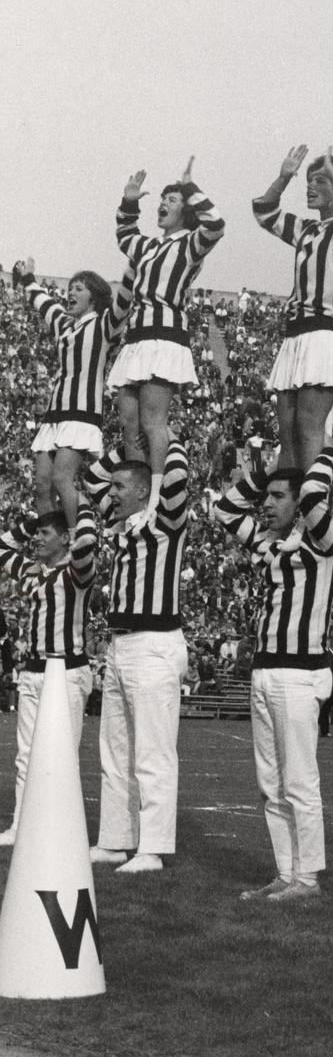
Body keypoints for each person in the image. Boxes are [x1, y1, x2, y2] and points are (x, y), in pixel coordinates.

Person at [213, 447, 333, 900]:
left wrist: (322, 451)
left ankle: (307, 878)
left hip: (298, 672)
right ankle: (286, 872)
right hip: (265, 669)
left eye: (277, 497)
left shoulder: (325, 543)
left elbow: (313, 493)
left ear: (300, 504)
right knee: (270, 784)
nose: (266, 504)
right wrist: (267, 472)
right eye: (266, 496)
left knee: (299, 780)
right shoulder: (269, 543)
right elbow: (226, 508)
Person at [84, 439, 190, 872]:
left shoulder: (165, 524)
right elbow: (90, 482)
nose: (113, 494)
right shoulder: (121, 526)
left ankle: (153, 847)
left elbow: (178, 478)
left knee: (153, 752)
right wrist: (130, 444)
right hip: (120, 644)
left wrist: (163, 438)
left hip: (155, 643)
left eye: (122, 487)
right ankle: (114, 839)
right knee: (115, 750)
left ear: (145, 490)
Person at [109, 158, 225, 518]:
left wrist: (191, 189)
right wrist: (130, 201)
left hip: (165, 336)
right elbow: (124, 235)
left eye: (172, 199)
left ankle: (156, 499)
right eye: (163, 198)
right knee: (128, 423)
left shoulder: (189, 244)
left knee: (152, 422)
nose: (164, 203)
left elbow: (217, 225)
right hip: (136, 339)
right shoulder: (146, 246)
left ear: (186, 211)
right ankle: (135, 500)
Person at [252, 146, 333, 473]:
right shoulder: (305, 229)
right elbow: (264, 211)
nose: (309, 186)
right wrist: (283, 178)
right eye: (309, 180)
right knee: (288, 433)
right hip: (296, 335)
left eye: (319, 181)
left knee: (309, 428)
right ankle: (295, 510)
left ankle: (313, 507)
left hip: (328, 332)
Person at [0, 503, 98, 844]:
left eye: (45, 533)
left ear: (65, 538)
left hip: (66, 669)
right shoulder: (32, 572)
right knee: (26, 755)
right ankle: (21, 827)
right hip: (33, 669)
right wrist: (32, 522)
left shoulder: (76, 571)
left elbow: (86, 542)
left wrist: (75, 503)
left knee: (63, 754)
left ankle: (63, 832)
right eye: (37, 534)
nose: (37, 540)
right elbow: (1, 547)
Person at [13, 259, 133, 527]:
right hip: (54, 415)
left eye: (78, 288)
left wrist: (132, 266)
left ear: (93, 295)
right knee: (42, 487)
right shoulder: (64, 325)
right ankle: (55, 542)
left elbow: (123, 302)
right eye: (70, 288)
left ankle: (79, 537)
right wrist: (28, 277)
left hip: (82, 413)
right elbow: (42, 302)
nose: (70, 293)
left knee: (61, 479)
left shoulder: (104, 323)